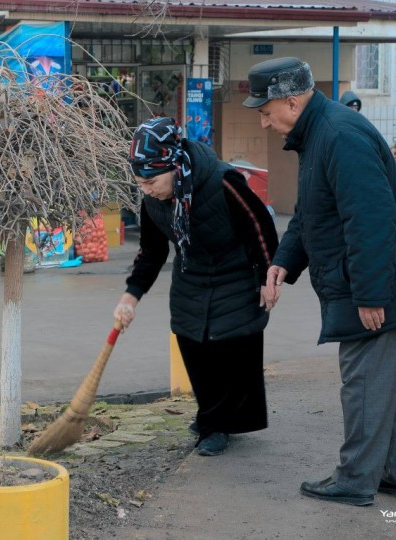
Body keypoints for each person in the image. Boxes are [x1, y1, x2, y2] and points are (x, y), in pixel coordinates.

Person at [243, 57, 396, 505]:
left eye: (266, 111)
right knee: (394, 388)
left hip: (380, 286)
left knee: (365, 383)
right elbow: (314, 212)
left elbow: (370, 221)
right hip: (390, 282)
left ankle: (355, 480)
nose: (265, 122)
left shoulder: (339, 136)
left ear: (292, 101)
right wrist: (284, 262)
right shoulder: (320, 133)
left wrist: (371, 294)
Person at [115, 116, 278, 456]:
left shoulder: (223, 181)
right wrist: (131, 296)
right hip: (190, 278)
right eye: (139, 182)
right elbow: (152, 251)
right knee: (193, 345)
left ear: (174, 166)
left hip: (234, 275)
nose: (146, 188)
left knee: (230, 351)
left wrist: (269, 278)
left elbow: (259, 228)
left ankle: (216, 426)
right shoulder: (153, 199)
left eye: (151, 180)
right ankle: (212, 414)